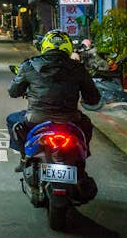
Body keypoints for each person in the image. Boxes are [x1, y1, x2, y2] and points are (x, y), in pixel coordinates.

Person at [6, 29, 101, 171]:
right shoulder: (78, 68)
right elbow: (93, 98)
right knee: (86, 125)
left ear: (44, 46)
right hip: (70, 119)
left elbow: (13, 92)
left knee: (12, 120)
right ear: (68, 47)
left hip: (37, 118)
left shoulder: (29, 65)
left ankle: (24, 157)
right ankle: (81, 158)